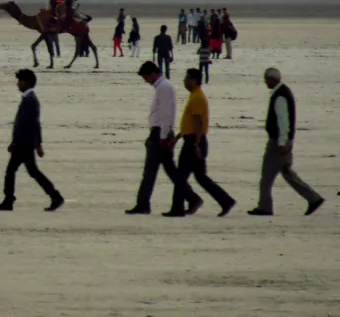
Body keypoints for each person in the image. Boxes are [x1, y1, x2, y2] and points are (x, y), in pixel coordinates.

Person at [249, 68, 325, 216]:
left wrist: (282, 142)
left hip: (278, 143)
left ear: (272, 79)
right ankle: (313, 198)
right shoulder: (283, 93)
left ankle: (265, 207)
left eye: (267, 79)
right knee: (288, 173)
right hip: (284, 142)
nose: (265, 82)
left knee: (266, 177)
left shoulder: (280, 96)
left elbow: (283, 122)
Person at [126, 62, 200, 215]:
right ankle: (192, 198)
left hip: (161, 134)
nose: (146, 80)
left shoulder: (164, 87)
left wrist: (163, 137)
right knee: (171, 171)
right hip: (160, 133)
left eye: (146, 77)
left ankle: (143, 204)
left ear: (153, 73)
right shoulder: (162, 87)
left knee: (150, 172)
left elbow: (166, 114)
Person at [163, 68, 235, 217]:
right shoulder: (195, 95)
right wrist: (177, 138)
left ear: (194, 80)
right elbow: (189, 124)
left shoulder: (197, 97)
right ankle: (226, 201)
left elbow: (198, 123)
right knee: (201, 177)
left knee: (181, 176)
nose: (184, 81)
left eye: (187, 78)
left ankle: (177, 208)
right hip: (194, 141)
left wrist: (196, 144)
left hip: (193, 142)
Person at [0, 69, 64, 212]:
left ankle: (54, 196)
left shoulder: (30, 100)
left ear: (27, 82)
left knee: (25, 171)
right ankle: (9, 200)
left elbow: (32, 124)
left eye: (20, 81)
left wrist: (33, 144)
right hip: (24, 142)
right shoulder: (28, 98)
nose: (18, 84)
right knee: (21, 171)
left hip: (24, 144)